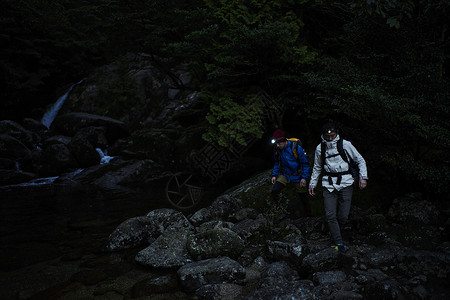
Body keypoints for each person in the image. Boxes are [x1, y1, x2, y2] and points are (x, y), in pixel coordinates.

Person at [308, 121, 368, 253]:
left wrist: (363, 177)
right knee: (330, 215)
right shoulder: (320, 148)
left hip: (346, 182)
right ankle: (338, 242)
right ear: (323, 135)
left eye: (332, 136)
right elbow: (317, 167)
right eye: (327, 136)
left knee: (343, 216)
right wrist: (312, 184)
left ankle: (334, 230)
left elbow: (360, 160)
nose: (330, 138)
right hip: (328, 184)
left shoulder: (345, 145)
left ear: (337, 134)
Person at [271, 129, 312, 217]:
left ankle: (309, 215)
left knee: (303, 197)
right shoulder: (278, 149)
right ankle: (279, 208)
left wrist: (304, 178)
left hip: (297, 175)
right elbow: (277, 163)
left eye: (279, 143)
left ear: (284, 141)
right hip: (285, 174)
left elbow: (305, 164)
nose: (277, 145)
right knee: (275, 190)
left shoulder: (296, 148)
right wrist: (274, 175)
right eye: (276, 144)